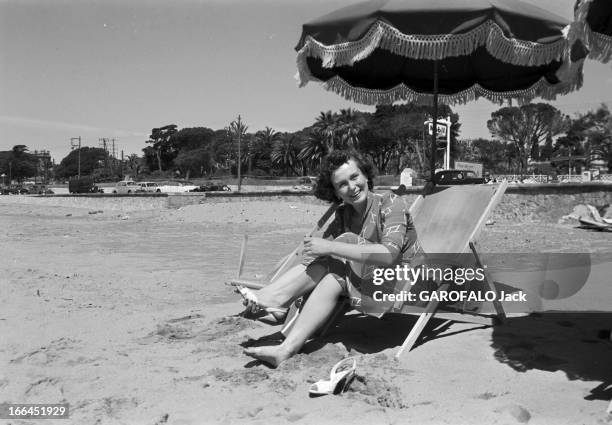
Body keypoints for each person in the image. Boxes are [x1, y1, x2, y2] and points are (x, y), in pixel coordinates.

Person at [242, 149, 421, 367]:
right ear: (336, 192)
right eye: (342, 184)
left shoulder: (391, 202)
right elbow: (315, 261)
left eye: (355, 177)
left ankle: (277, 298)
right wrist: (312, 251)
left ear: (366, 175)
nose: (352, 187)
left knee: (341, 244)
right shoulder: (343, 214)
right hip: (366, 280)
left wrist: (329, 246)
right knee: (333, 269)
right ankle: (285, 347)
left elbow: (389, 254)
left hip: (406, 282)